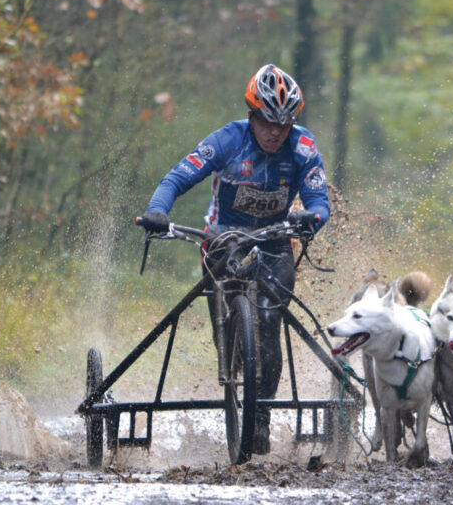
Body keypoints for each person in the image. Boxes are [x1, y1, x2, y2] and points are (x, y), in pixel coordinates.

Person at [139, 64, 330, 455]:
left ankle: (259, 421)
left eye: (285, 122)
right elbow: (176, 178)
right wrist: (157, 211)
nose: (276, 131)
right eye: (267, 121)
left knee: (270, 321)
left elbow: (318, 201)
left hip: (276, 241)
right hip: (222, 240)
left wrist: (312, 219)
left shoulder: (303, 147)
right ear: (251, 115)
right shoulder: (228, 140)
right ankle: (232, 365)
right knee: (225, 333)